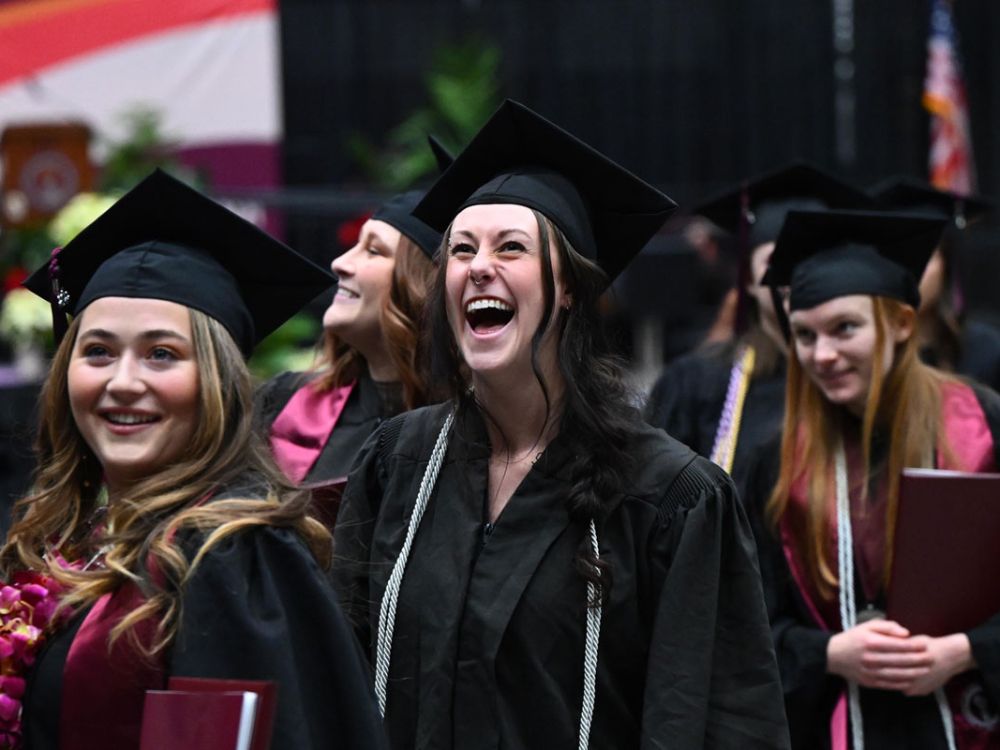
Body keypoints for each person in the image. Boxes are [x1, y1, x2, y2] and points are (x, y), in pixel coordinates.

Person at [333, 99, 790, 749]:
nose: (478, 265)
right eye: (460, 249)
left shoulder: (665, 497)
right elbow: (342, 683)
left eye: (510, 247)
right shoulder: (395, 466)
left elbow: (717, 718)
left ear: (568, 286)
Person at [3, 170, 386, 750]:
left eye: (162, 354)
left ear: (217, 383)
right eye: (99, 351)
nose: (123, 382)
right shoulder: (85, 539)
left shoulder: (232, 554)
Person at [748, 208, 1000, 749]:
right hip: (838, 724)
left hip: (973, 714)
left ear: (902, 323)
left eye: (845, 328)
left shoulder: (983, 423)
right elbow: (748, 621)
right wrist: (828, 653)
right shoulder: (776, 461)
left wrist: (969, 648)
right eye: (804, 335)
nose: (823, 354)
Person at [645, 162, 873, 497]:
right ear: (748, 279)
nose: (799, 275)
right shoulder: (696, 384)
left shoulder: (853, 376)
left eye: (813, 258)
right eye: (777, 261)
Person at [257, 190, 439, 517]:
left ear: (422, 285)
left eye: (373, 250)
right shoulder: (283, 406)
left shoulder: (468, 436)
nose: (339, 263)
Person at [870, 177, 1000, 392]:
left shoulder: (985, 351)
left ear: (946, 266)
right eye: (896, 257)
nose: (910, 270)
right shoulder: (862, 350)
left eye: (923, 257)